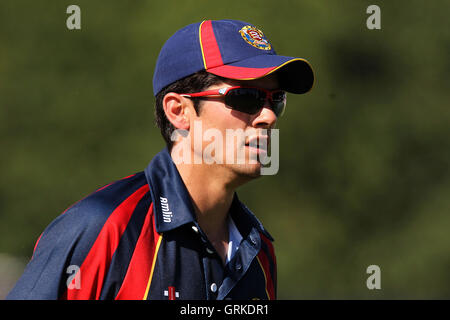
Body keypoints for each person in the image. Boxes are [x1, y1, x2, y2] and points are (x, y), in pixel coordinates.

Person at [7, 19, 314, 300]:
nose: (269, 116)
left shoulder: (260, 250)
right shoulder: (104, 228)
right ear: (178, 111)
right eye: (247, 97)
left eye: (276, 100)